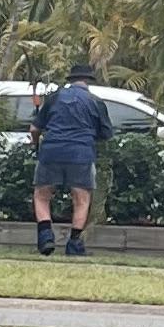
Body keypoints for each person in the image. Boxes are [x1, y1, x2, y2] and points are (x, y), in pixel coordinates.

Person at [30, 63, 112, 255]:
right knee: (81, 199)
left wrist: (36, 145)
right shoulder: (95, 102)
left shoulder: (54, 98)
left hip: (51, 150)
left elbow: (34, 129)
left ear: (70, 80)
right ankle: (74, 244)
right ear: (89, 81)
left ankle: (45, 237)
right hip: (81, 153)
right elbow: (106, 134)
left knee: (42, 195)